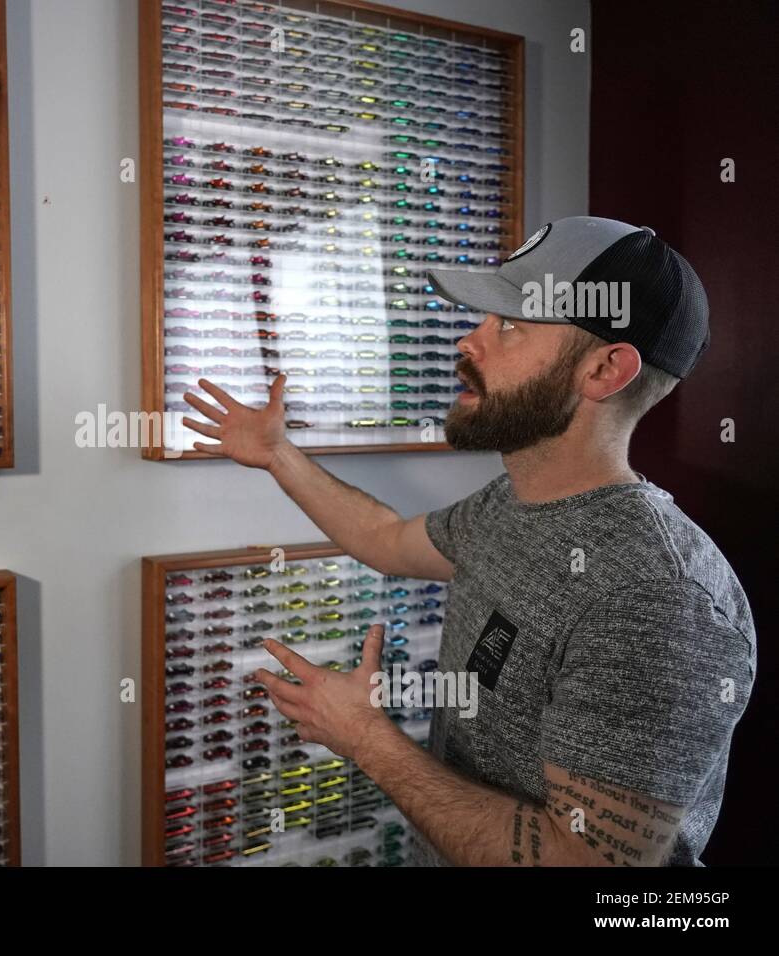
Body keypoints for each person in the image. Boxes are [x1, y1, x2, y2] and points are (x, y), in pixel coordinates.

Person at [180, 217, 755, 865]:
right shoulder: (511, 506)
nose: (470, 339)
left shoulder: (658, 597)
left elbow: (584, 863)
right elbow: (385, 539)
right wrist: (279, 455)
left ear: (604, 369)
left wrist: (364, 738)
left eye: (509, 324)